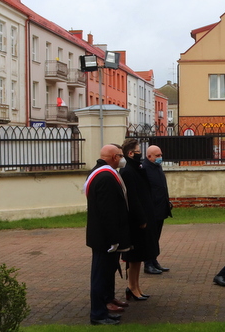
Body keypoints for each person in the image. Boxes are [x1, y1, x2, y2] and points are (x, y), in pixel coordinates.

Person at [85, 144, 132, 326]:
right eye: (120, 155)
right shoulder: (105, 176)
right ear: (113, 157)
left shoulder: (101, 172)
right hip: (104, 238)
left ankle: (104, 307)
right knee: (100, 276)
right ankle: (98, 314)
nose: (122, 158)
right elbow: (108, 212)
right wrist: (113, 239)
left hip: (103, 236)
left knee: (105, 274)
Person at [119, 138, 157, 300]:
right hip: (136, 222)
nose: (140, 154)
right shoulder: (128, 171)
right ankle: (131, 287)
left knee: (139, 256)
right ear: (130, 153)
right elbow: (133, 199)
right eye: (138, 151)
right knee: (133, 257)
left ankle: (136, 287)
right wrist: (141, 219)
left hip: (144, 217)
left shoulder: (137, 169)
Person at [142, 145, 172, 275]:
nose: (160, 158)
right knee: (150, 237)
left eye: (160, 155)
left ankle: (154, 261)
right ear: (149, 157)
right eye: (157, 155)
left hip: (161, 208)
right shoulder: (144, 169)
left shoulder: (157, 167)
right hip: (151, 210)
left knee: (156, 237)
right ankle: (148, 263)